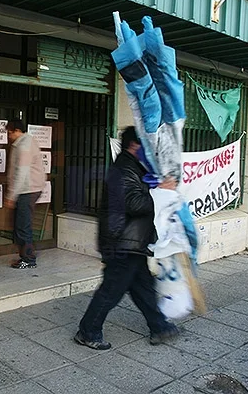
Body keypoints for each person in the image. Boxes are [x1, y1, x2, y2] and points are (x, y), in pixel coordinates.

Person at [74, 126, 179, 349]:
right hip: (121, 242)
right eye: (147, 146)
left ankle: (159, 327)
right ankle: (88, 332)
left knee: (144, 288)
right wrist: (162, 192)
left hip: (132, 241)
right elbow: (133, 203)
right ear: (135, 145)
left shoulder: (134, 167)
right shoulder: (123, 170)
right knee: (112, 290)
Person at [4, 119, 46, 269]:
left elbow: (21, 172)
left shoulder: (24, 146)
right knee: (20, 224)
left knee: (23, 225)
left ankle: (28, 259)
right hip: (28, 189)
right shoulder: (25, 142)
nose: (8, 136)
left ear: (16, 131)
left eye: (9, 133)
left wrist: (11, 196)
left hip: (27, 189)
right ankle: (26, 255)